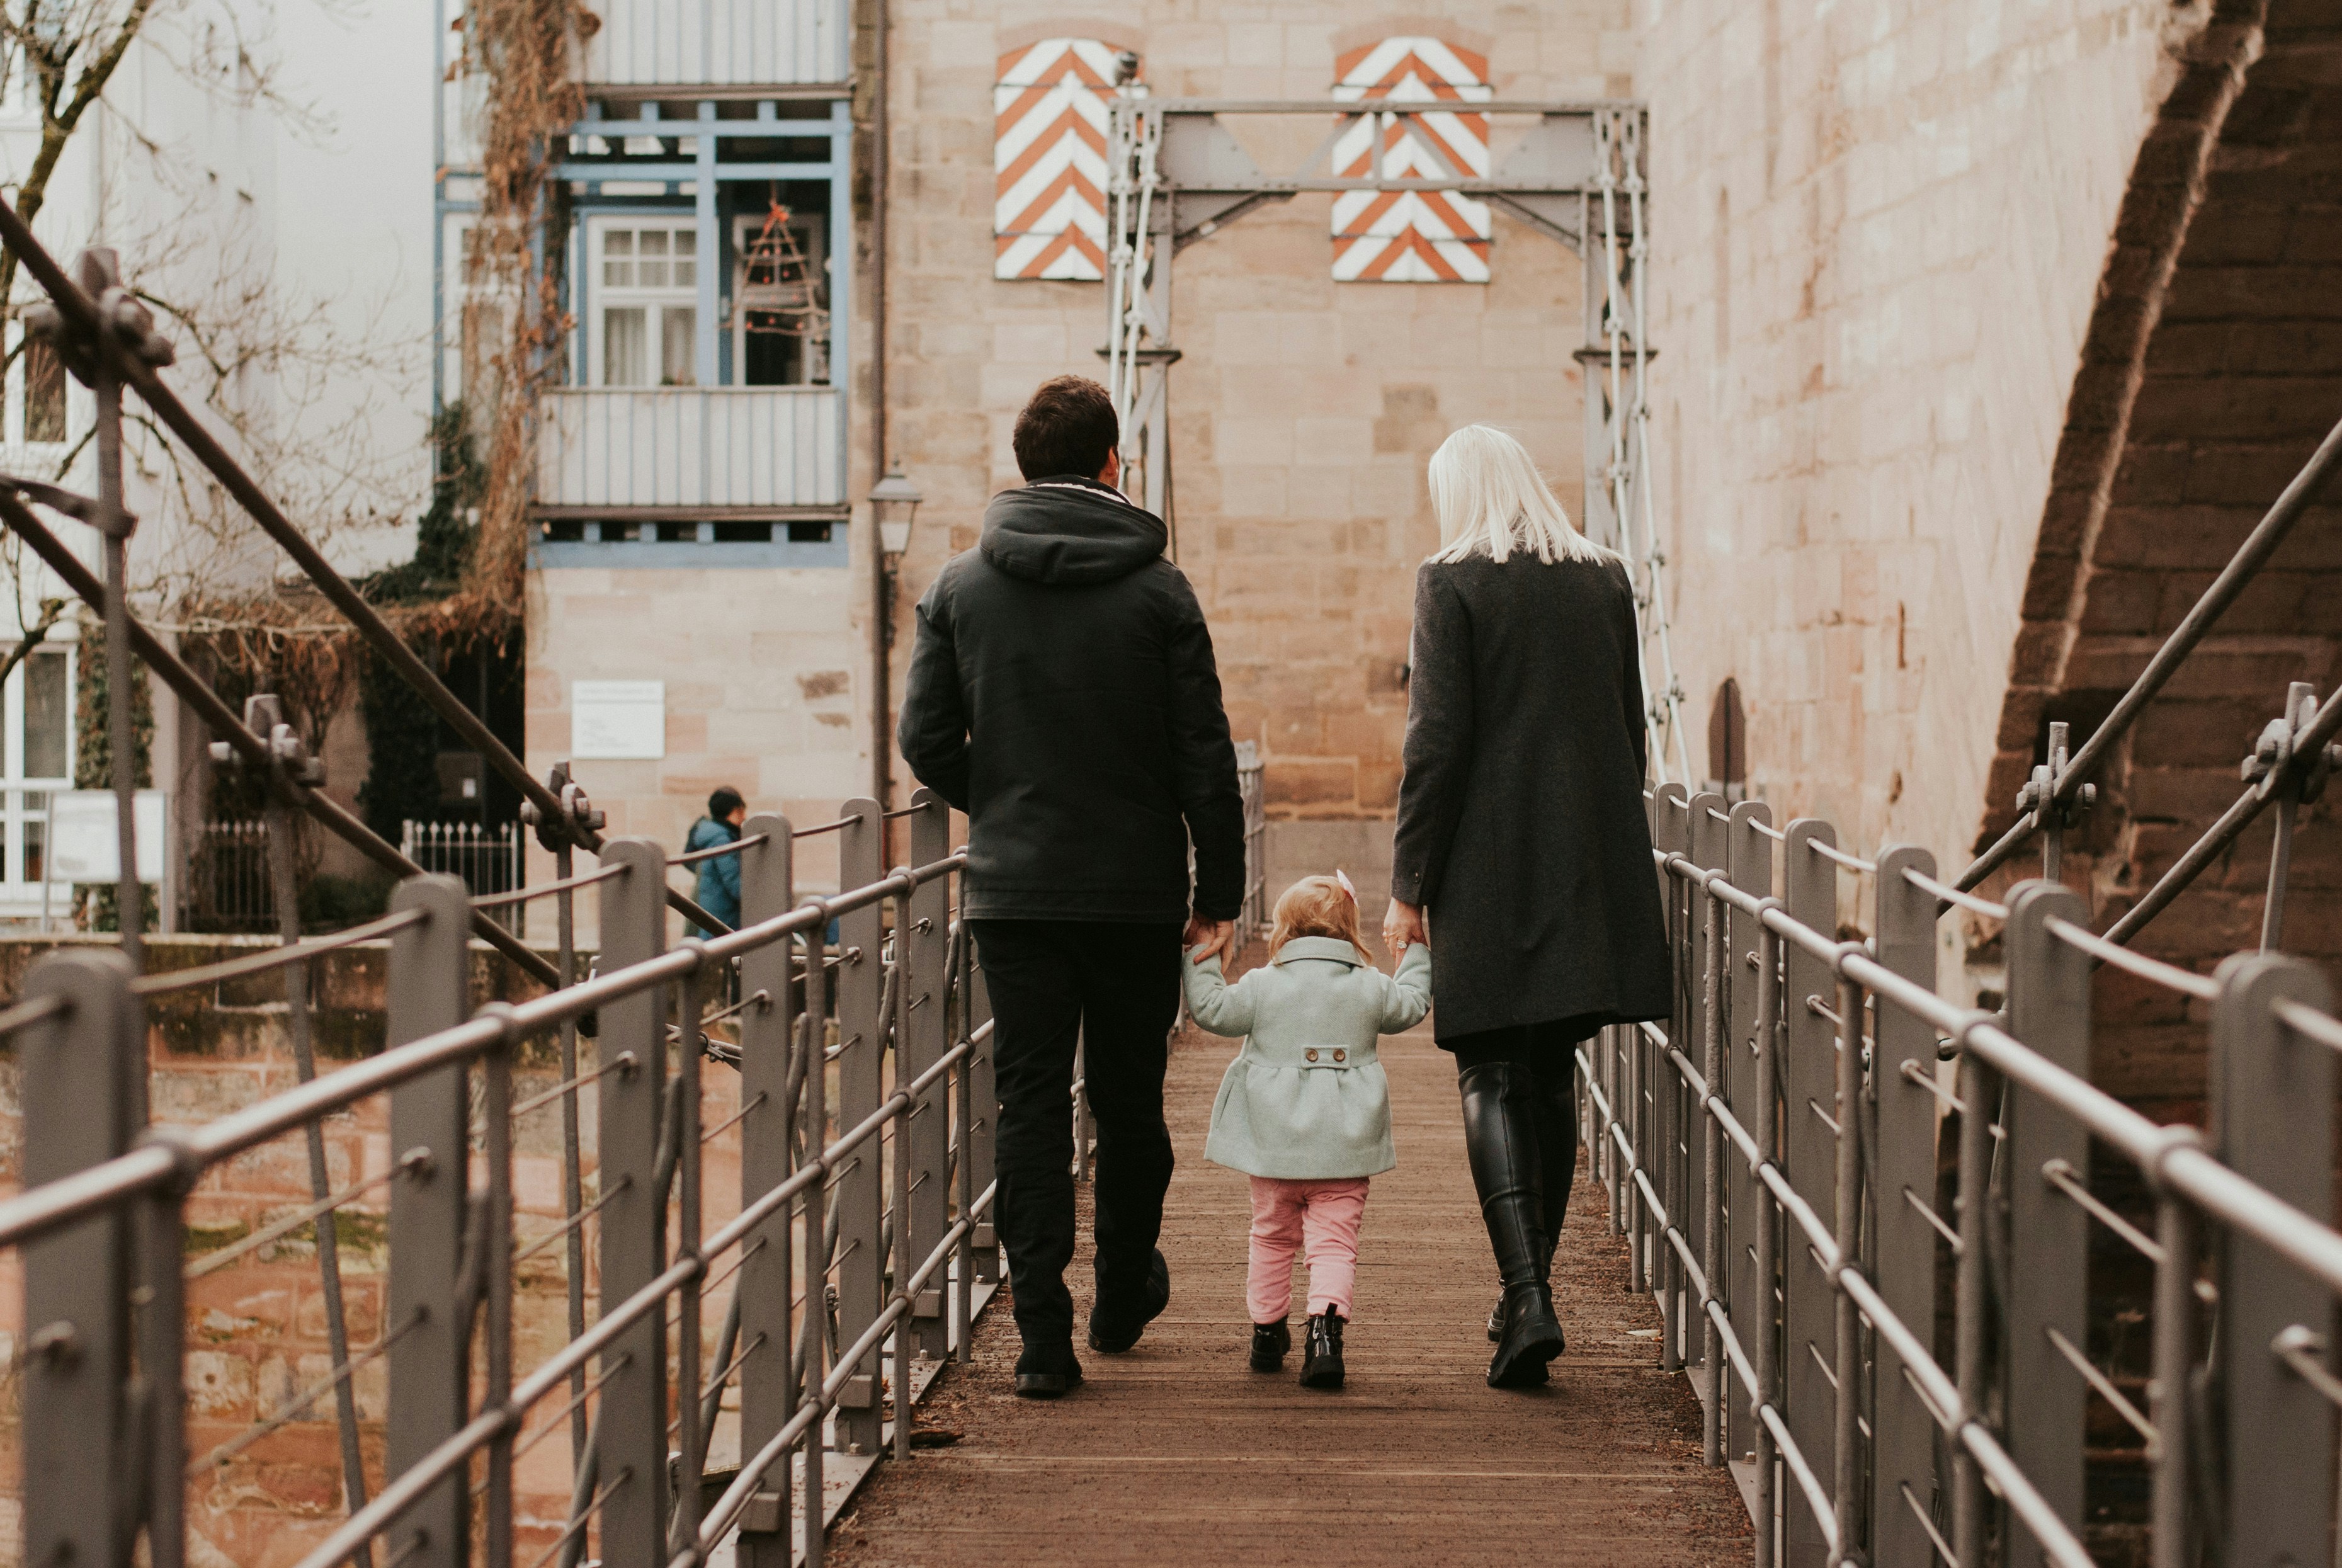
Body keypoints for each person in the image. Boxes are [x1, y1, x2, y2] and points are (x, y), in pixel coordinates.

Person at [899, 373, 1246, 1399]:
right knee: (1132, 1105)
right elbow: (1201, 751)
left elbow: (923, 741)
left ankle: (1041, 1340)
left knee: (1029, 1104)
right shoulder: (1160, 589)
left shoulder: (959, 586)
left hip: (1014, 894)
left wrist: (1000, 802)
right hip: (1136, 893)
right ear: (1109, 464)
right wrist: (1217, 891)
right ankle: (1119, 1293)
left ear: (1022, 466)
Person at [1382, 424, 1671, 1389]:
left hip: (1489, 861)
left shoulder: (1449, 579)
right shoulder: (1603, 577)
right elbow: (1629, 728)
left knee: (1488, 1069)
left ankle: (1526, 1293)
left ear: (1457, 491)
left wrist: (1407, 886)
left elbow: (1437, 742)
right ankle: (1525, 1299)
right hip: (1587, 856)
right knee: (1549, 1071)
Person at [1183, 872, 1430, 1391]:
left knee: (1271, 1238)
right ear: (1349, 931)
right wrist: (1414, 951)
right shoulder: (1368, 985)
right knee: (1335, 1245)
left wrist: (1201, 956)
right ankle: (1325, 1335)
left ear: (1283, 930)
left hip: (1273, 1150)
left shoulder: (1261, 984)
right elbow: (1410, 1005)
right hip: (1345, 1149)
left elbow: (1211, 1011)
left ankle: (1267, 1334)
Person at [684, 787, 744, 938]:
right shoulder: (721, 840)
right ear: (732, 812)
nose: (744, 817)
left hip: (715, 914)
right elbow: (736, 885)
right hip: (724, 918)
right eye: (740, 811)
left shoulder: (714, 835)